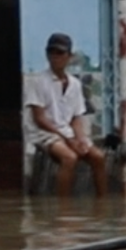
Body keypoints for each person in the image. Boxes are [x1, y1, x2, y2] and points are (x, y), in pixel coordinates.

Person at [24, 33, 107, 197]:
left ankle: (102, 203)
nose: (55, 57)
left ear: (70, 56)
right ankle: (64, 208)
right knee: (69, 158)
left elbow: (76, 117)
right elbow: (39, 119)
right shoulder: (38, 81)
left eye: (60, 53)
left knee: (98, 157)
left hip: (66, 131)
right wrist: (68, 139)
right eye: (51, 52)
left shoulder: (75, 84)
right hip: (44, 134)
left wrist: (80, 138)